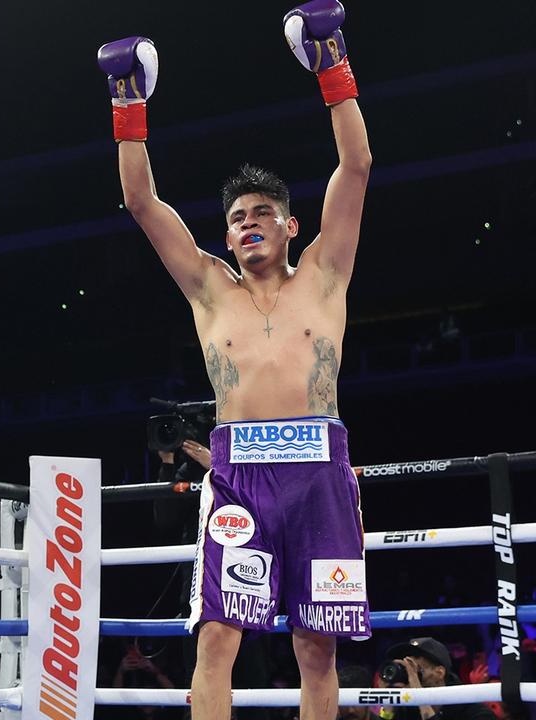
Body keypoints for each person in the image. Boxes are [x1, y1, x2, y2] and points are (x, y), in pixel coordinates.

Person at [98, 2, 373, 720]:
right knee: (216, 637)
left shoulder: (325, 274)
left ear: (292, 224)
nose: (247, 224)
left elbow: (358, 164)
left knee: (318, 647)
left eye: (261, 213)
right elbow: (139, 201)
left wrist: (330, 58)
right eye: (236, 218)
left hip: (320, 471)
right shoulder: (209, 289)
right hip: (241, 477)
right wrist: (126, 98)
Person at [379, 637, 495, 720]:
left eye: (416, 669)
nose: (410, 676)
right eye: (406, 668)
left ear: (439, 673)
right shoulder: (408, 707)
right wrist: (388, 702)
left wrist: (418, 692)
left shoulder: (474, 712)